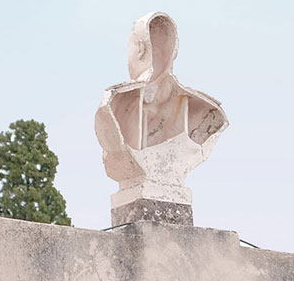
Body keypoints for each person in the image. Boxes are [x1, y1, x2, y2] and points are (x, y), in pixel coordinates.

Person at [95, 12, 228, 197]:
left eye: (129, 47)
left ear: (140, 48)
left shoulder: (111, 105)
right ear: (175, 50)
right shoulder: (208, 114)